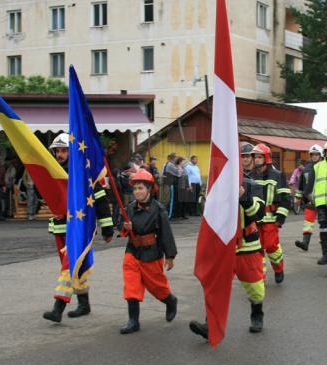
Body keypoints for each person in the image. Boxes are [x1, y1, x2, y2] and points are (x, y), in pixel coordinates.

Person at [43, 133, 114, 323]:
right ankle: (84, 304)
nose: (59, 154)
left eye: (64, 150)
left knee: (68, 267)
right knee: (77, 267)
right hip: (60, 228)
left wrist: (107, 227)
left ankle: (58, 307)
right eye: (57, 150)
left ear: (72, 151)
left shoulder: (84, 172)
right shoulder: (52, 172)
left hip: (80, 229)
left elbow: (101, 201)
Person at [189, 175, 267, 339]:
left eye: (247, 157)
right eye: (242, 157)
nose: (244, 159)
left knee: (255, 288)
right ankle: (210, 325)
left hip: (248, 246)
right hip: (224, 245)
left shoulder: (253, 185)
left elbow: (258, 213)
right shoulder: (219, 183)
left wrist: (243, 196)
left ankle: (257, 315)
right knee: (217, 286)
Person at [117, 169, 178, 334]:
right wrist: (124, 226)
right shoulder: (129, 208)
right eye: (135, 188)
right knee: (131, 285)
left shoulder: (159, 209)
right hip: (132, 251)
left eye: (140, 188)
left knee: (157, 287)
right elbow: (119, 222)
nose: (137, 192)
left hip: (152, 253)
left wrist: (170, 256)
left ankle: (170, 301)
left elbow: (166, 233)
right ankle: (133, 321)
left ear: (149, 189)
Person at [250, 143, 290, 284]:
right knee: (257, 249)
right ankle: (261, 277)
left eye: (260, 157)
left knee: (272, 247)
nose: (256, 160)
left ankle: (278, 268)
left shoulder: (277, 175)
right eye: (255, 157)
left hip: (271, 218)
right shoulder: (250, 175)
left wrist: (280, 217)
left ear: (266, 158)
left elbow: (285, 198)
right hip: (254, 219)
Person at [294, 144, 323, 251]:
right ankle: (305, 243)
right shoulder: (306, 169)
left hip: (323, 201)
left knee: (325, 222)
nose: (314, 156)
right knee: (308, 222)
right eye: (313, 154)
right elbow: (301, 185)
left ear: (321, 155)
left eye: (317, 154)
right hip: (309, 201)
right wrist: (298, 197)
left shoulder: (324, 167)